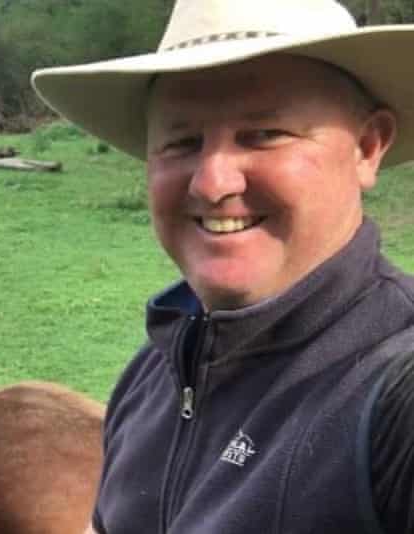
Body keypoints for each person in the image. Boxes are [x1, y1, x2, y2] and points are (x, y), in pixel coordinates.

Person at [31, 1, 414, 532]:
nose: (212, 183)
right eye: (181, 142)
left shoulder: (399, 396)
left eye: (264, 134)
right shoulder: (151, 374)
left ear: (367, 148)